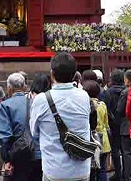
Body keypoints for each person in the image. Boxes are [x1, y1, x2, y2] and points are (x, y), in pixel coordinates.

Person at [30, 52, 91, 181]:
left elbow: (34, 133)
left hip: (54, 169)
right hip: (81, 169)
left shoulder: (41, 99)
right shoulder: (84, 96)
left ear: (52, 74)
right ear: (75, 74)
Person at [0, 72, 41, 181]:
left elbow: (5, 135)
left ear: (9, 88)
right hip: (37, 152)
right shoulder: (35, 103)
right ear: (25, 87)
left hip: (18, 154)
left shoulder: (6, 105)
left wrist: (7, 159)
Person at [84, 80, 111, 181]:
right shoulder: (102, 104)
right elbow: (106, 124)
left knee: (90, 171)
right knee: (102, 169)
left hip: (90, 140)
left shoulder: (85, 105)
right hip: (103, 141)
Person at [104, 69, 126, 181]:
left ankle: (118, 173)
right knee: (126, 150)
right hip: (126, 124)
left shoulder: (108, 92)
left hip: (113, 125)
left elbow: (106, 108)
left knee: (115, 150)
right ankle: (126, 172)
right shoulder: (127, 90)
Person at [118, 70, 131, 181]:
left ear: (127, 79)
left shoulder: (126, 92)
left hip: (126, 127)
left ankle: (130, 177)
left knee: (128, 155)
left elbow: (120, 110)